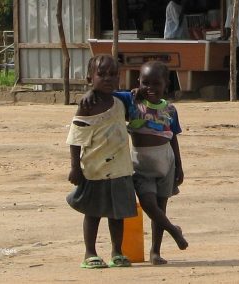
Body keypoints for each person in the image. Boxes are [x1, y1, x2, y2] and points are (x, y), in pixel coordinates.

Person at [81, 60, 189, 265]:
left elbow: (173, 137)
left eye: (156, 84)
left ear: (166, 83)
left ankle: (155, 252)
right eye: (145, 83)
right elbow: (106, 92)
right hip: (141, 163)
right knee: (149, 204)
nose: (150, 88)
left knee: (161, 206)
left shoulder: (171, 110)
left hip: (166, 162)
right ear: (138, 81)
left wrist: (180, 167)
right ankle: (174, 230)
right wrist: (89, 94)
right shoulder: (132, 101)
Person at [66, 54, 137, 269]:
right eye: (101, 74)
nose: (108, 79)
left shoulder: (121, 101)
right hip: (95, 170)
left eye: (113, 75)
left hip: (121, 168)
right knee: (93, 212)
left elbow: (141, 95)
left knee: (118, 214)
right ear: (90, 78)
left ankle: (117, 251)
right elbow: (75, 138)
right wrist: (74, 167)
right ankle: (90, 253)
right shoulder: (87, 105)